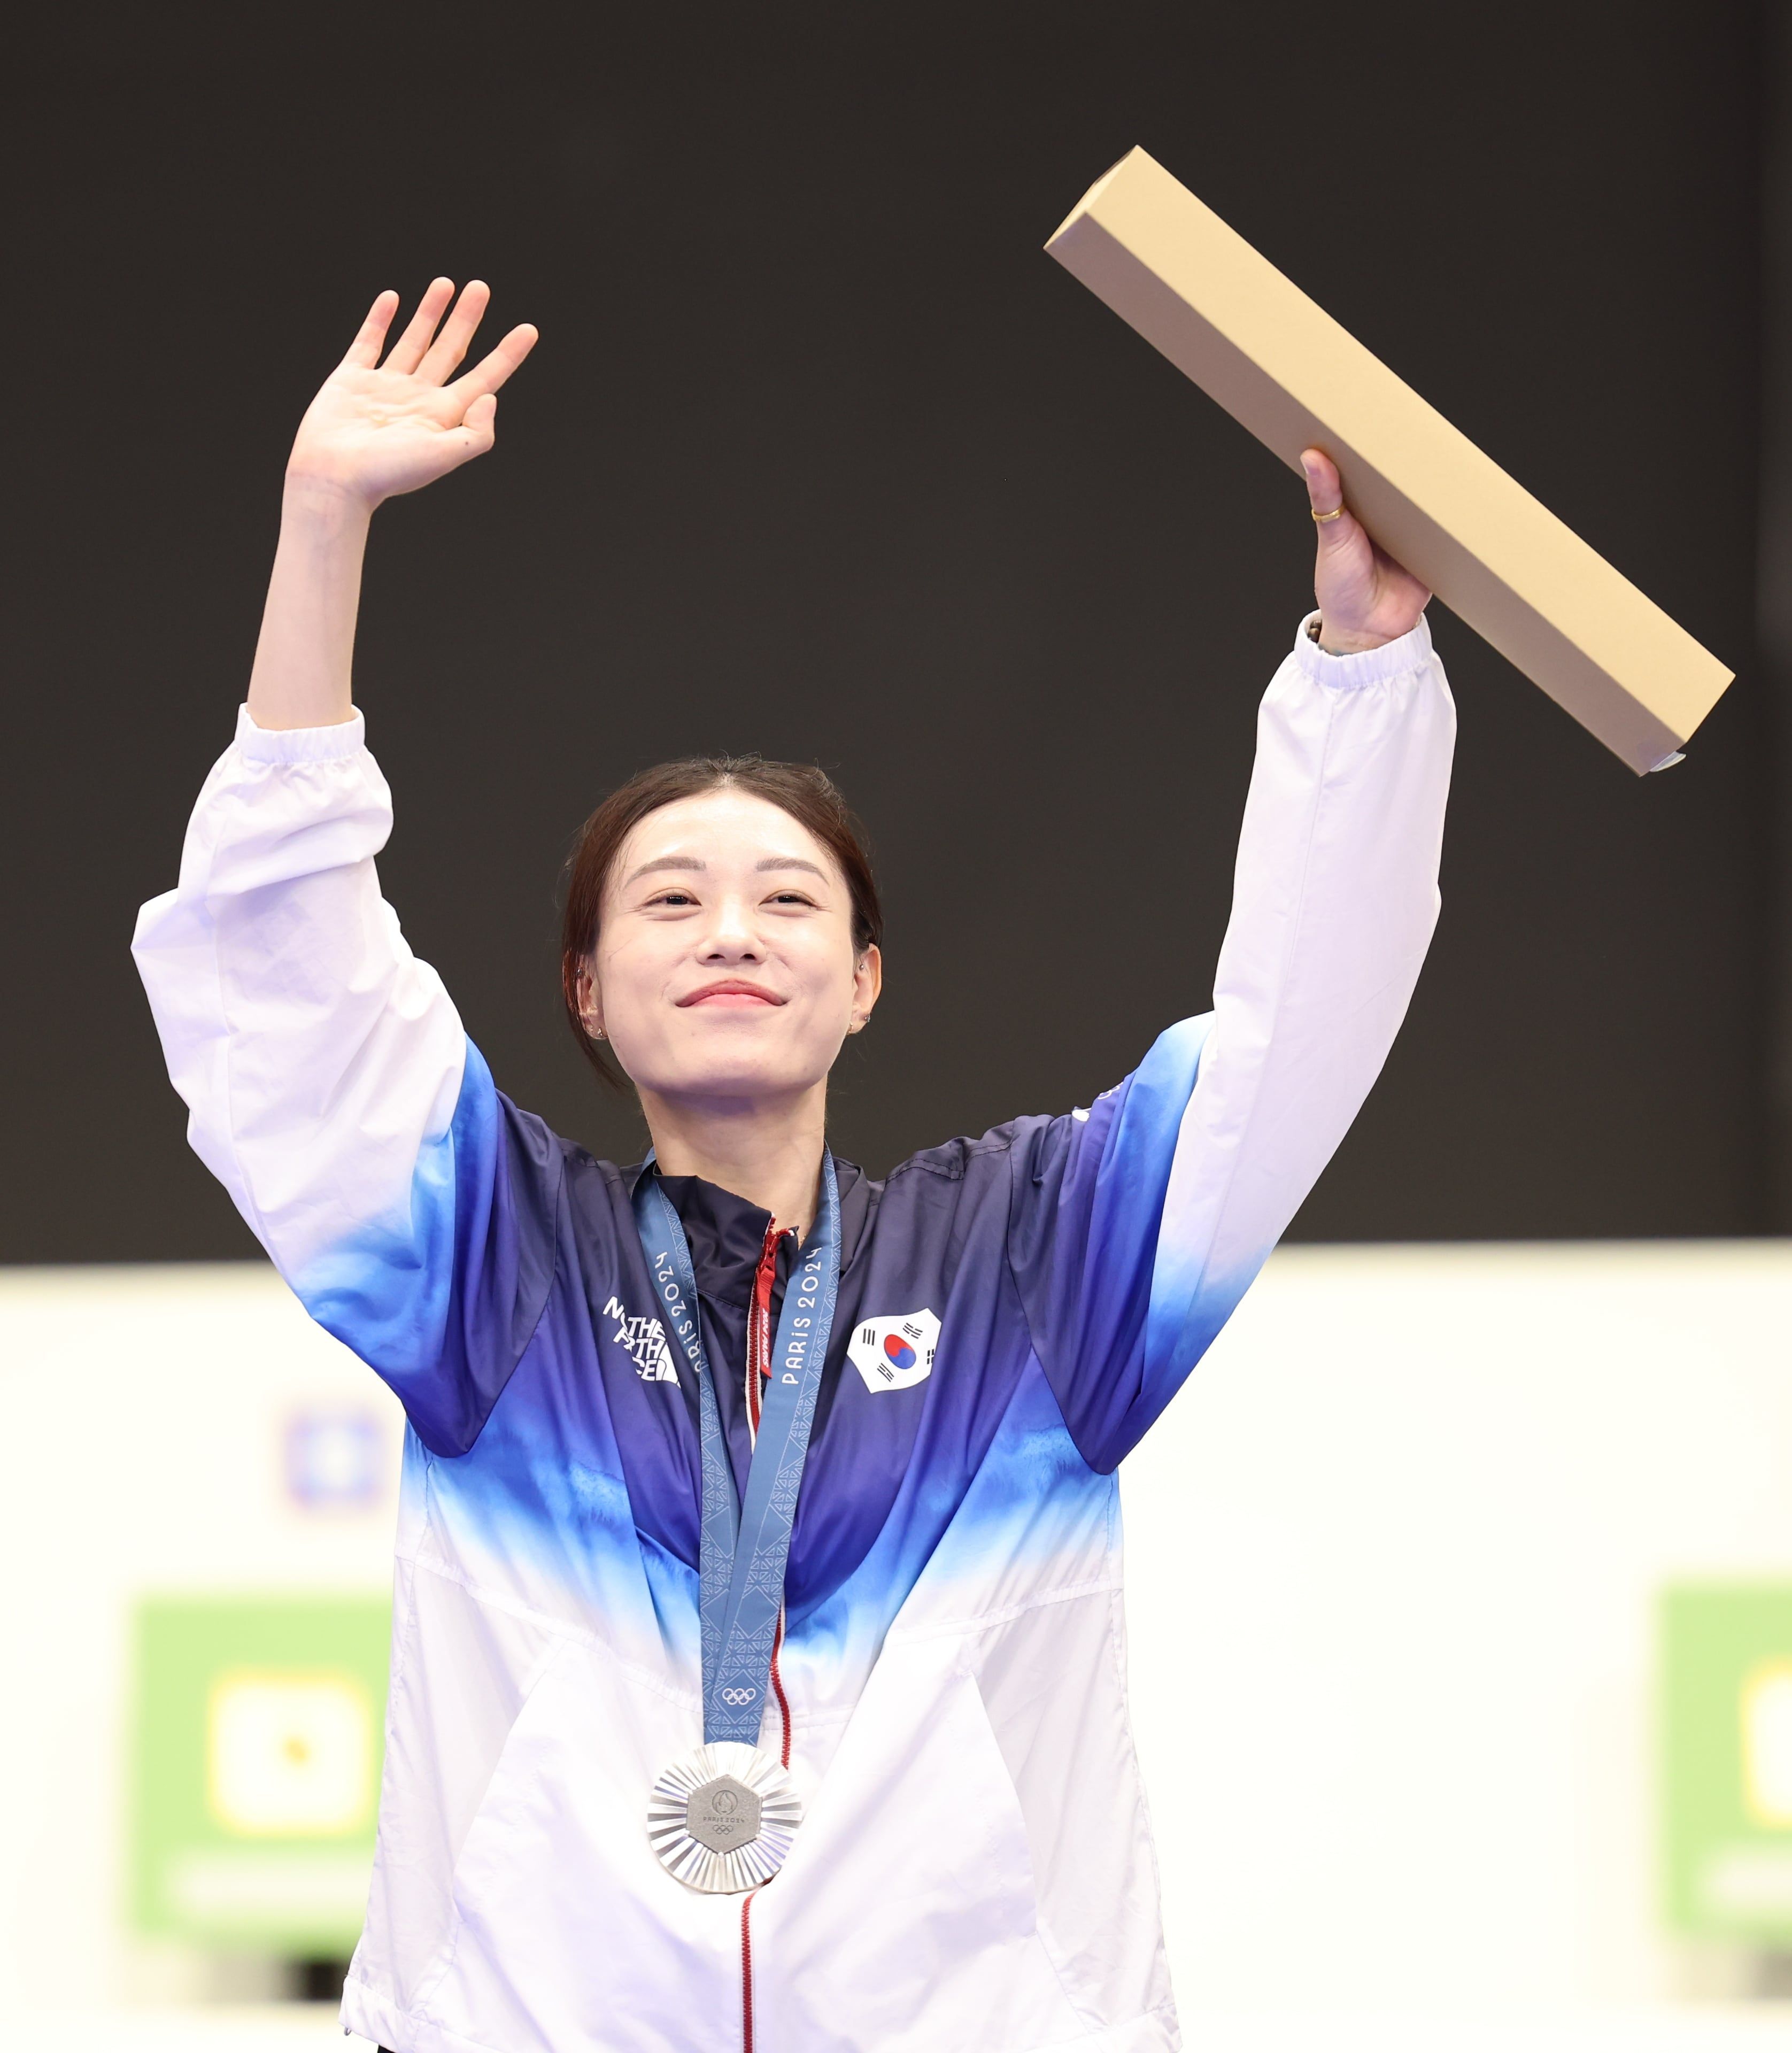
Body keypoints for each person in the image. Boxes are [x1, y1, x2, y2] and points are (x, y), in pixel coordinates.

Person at [133, 279, 1454, 2053]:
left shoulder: (1030, 1262)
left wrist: (1363, 677)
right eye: (668, 902)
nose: (731, 933)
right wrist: (321, 533)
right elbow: (288, 989)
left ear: (864, 980)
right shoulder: (496, 1270)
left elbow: (1296, 1040)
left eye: (789, 902)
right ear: (589, 995)